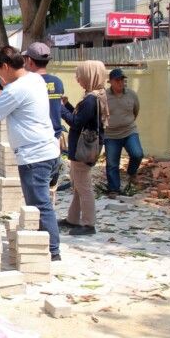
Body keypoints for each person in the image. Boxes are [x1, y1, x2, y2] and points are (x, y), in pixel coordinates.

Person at [0, 45, 62, 261]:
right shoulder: (34, 80)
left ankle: (52, 252)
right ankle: (44, 245)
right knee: (41, 204)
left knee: (40, 205)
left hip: (35, 156)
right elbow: (11, 99)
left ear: (5, 66)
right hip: (48, 151)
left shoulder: (17, 89)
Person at [60, 60, 109, 236]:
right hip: (84, 148)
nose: (78, 78)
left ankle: (89, 224)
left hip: (83, 150)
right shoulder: (95, 95)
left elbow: (76, 122)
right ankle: (73, 219)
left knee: (84, 187)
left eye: (80, 75)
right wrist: (67, 106)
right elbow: (82, 117)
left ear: (90, 75)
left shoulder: (90, 99)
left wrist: (60, 109)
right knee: (78, 185)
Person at [22, 41, 69, 202]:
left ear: (29, 61)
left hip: (34, 142)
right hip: (55, 138)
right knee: (50, 185)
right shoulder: (57, 82)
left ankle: (39, 218)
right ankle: (50, 210)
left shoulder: (28, 83)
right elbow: (60, 108)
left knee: (36, 187)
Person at [104, 67, 143, 198]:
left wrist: (128, 122)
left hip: (129, 131)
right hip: (111, 134)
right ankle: (114, 188)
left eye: (122, 80)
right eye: (117, 80)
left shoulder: (132, 94)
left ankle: (132, 173)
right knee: (112, 163)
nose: (121, 82)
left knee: (137, 154)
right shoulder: (104, 96)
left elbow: (136, 110)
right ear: (110, 82)